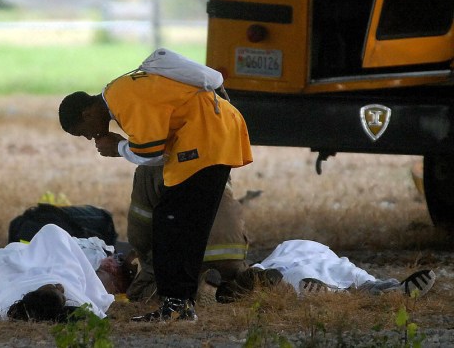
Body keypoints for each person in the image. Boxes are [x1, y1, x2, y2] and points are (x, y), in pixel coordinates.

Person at [59, 67, 253, 321]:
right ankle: (183, 303)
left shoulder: (121, 102)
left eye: (82, 131)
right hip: (217, 131)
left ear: (86, 113)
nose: (88, 137)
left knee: (170, 223)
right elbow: (158, 149)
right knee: (182, 222)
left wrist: (117, 147)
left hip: (205, 139)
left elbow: (149, 152)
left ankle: (177, 305)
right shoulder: (120, 90)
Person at [125, 164, 281, 305]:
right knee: (226, 274)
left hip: (190, 257)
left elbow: (139, 234)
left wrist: (147, 260)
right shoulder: (214, 155)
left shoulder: (149, 165)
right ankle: (245, 280)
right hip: (231, 252)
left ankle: (198, 287)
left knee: (139, 291)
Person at [251, 239, 436, 298]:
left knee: (347, 271)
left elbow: (255, 274)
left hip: (319, 256)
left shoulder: (269, 262)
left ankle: (390, 288)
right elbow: (257, 276)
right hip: (314, 260)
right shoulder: (270, 264)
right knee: (346, 272)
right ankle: (382, 289)